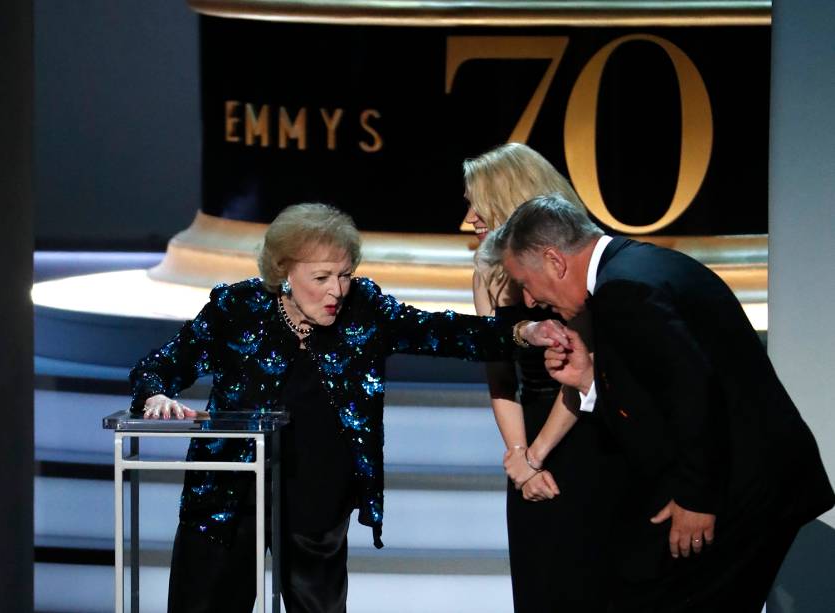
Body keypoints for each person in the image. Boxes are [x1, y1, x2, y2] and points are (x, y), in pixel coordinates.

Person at [130, 203, 559, 613]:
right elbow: (163, 364)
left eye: (344, 275)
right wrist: (156, 394)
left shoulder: (363, 309)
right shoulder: (237, 308)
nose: (336, 290)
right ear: (283, 271)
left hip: (317, 496)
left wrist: (524, 331)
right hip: (227, 493)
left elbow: (442, 331)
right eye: (321, 277)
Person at [482, 193, 835, 612]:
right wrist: (588, 379)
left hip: (748, 485)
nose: (530, 301)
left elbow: (695, 392)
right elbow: (661, 393)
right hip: (742, 477)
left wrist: (697, 500)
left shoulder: (626, 290)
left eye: (526, 282)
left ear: (556, 261)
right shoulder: (636, 268)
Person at [462, 143, 626, 611]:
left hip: (589, 431)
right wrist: (518, 455)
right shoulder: (486, 273)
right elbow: (497, 373)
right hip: (530, 441)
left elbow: (582, 372)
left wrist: (538, 454)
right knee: (538, 585)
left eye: (477, 201)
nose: (470, 215)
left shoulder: (572, 265)